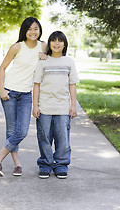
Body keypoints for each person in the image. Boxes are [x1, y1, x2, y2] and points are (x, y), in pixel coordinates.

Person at [0, 17, 47, 177]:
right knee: (12, 130)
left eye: (36, 28)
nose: (33, 32)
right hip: (10, 91)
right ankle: (17, 165)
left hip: (26, 94)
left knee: (21, 131)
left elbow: (52, 60)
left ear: (40, 30)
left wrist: (46, 57)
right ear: (24, 31)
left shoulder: (43, 46)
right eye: (29, 29)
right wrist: (2, 90)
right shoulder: (17, 47)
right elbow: (2, 69)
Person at [33, 31, 79, 179]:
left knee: (63, 138)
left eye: (60, 41)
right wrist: (35, 106)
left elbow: (72, 85)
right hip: (45, 106)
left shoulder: (69, 62)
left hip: (63, 108)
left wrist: (73, 106)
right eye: (54, 41)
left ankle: (60, 164)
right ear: (49, 43)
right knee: (44, 138)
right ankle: (46, 164)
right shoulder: (43, 62)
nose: (57, 43)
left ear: (64, 44)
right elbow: (36, 85)